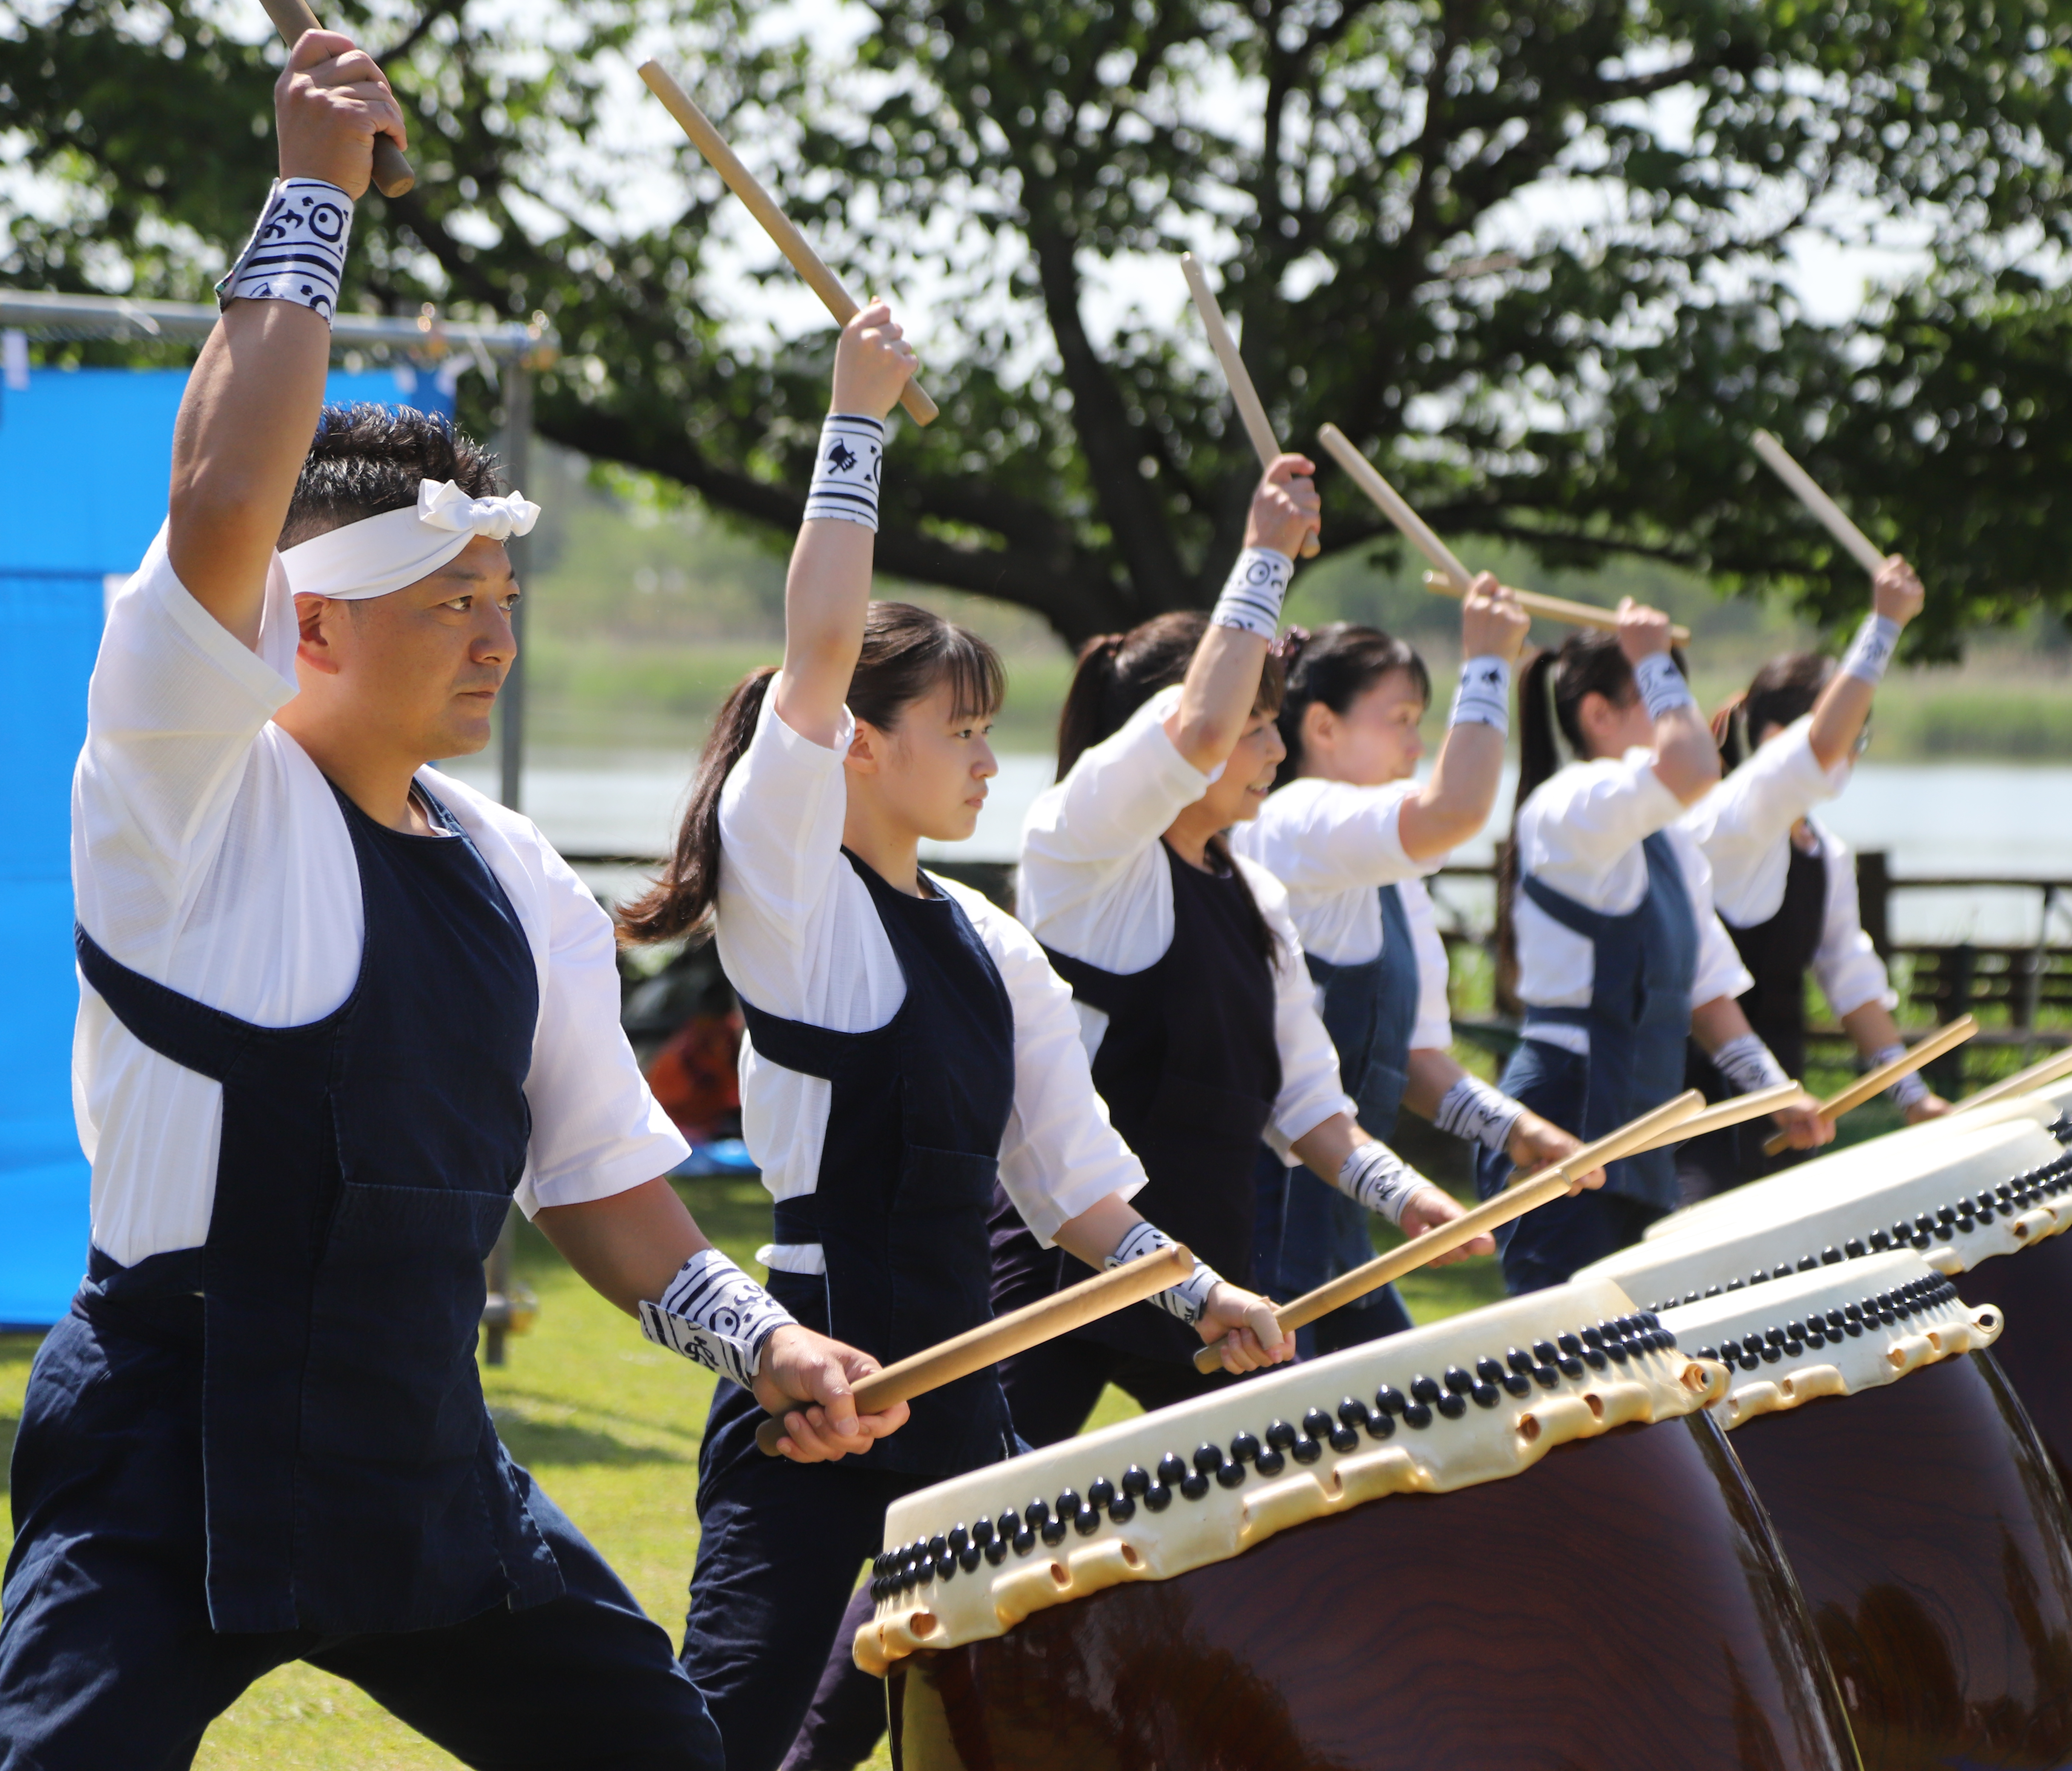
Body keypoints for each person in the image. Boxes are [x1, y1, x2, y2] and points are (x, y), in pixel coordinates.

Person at [0, 33, 883, 1768]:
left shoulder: (518, 877)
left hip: (418, 1441)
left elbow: (607, 1184)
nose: (496, 631)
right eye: (447, 595)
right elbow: (228, 497)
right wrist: (313, 190)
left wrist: (760, 1336)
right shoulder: (180, 789)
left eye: (502, 590)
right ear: (307, 624)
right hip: (170, 1443)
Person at [615, 304, 1289, 1771]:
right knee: (722, 1743)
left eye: (995, 731)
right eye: (961, 729)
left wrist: (1204, 1300)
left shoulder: (994, 949)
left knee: (1039, 1723)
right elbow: (818, 649)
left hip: (966, 1427)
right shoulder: (795, 903)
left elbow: (1085, 1203)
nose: (990, 760)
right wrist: (853, 421)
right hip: (812, 1408)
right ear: (862, 741)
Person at [996, 459, 1492, 1442]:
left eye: (1274, 724)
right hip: (1059, 1276)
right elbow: (1198, 723)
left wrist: (1410, 1199)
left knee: (1283, 1515)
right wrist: (1264, 556)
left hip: (1204, 1283)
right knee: (963, 1538)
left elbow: (1308, 1103)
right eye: (1258, 725)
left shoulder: (1254, 891)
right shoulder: (1079, 852)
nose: (1271, 749)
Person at [1238, 604, 1601, 1355]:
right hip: (1265, 1229)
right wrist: (1489, 662)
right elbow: (1456, 807)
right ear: (1323, 728)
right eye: (1399, 719)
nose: (1417, 742)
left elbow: (1419, 1066)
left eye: (1421, 720)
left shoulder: (1392, 873)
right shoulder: (1297, 819)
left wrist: (1520, 1132)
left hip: (1342, 1227)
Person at [1481, 605, 1834, 1294]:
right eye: (1657, 697)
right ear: (1598, 716)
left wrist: (1775, 1093)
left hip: (1640, 1125)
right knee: (1564, 1360)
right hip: (1563, 1108)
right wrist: (1652, 653)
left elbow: (1708, 993)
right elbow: (1696, 764)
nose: (1683, 717)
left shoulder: (1671, 841)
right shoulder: (1569, 802)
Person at [1676, 557, 1948, 1199]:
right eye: (1854, 726)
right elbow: (1819, 747)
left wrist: (1914, 1097)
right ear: (1778, 738)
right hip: (1692, 1121)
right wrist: (1883, 626)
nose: (1854, 745)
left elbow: (1850, 977)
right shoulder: (1729, 820)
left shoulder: (1826, 854)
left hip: (1786, 1120)